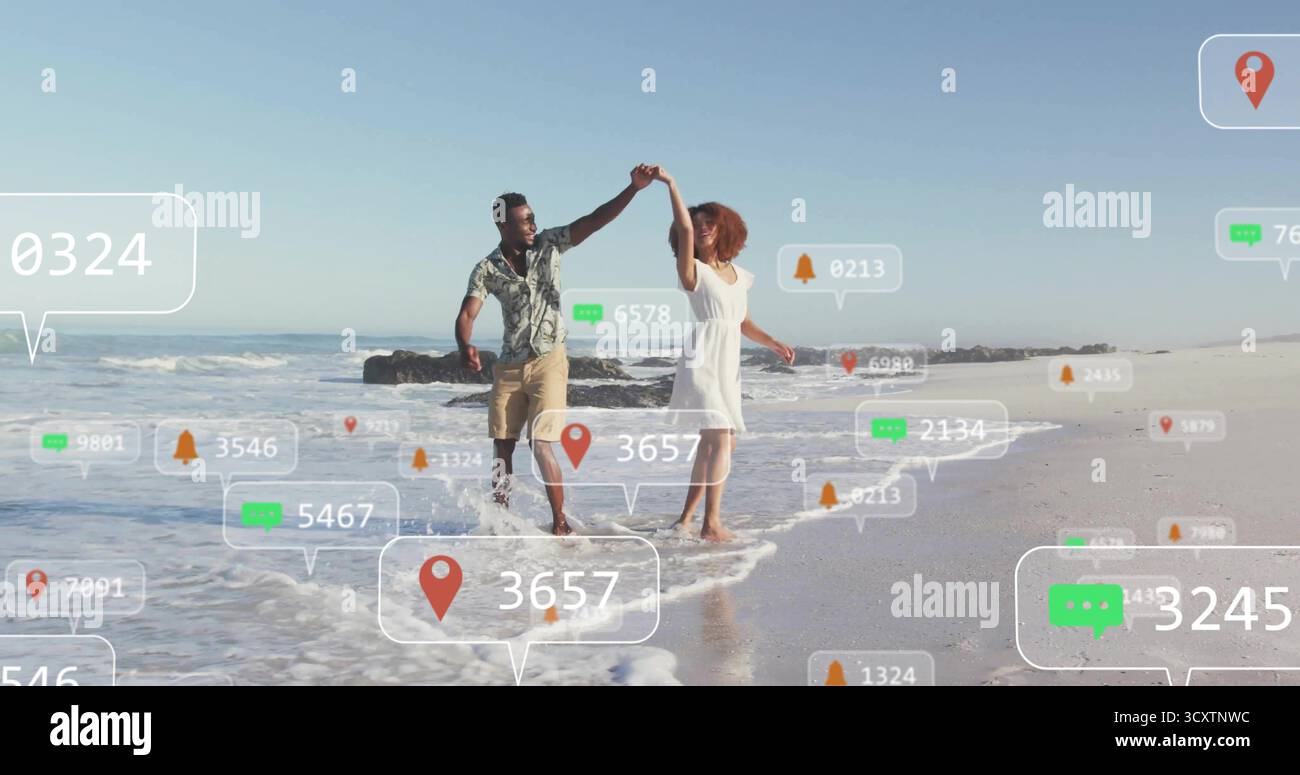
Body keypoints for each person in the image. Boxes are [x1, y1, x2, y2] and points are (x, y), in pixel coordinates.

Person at [455, 165, 656, 535]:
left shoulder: (550, 243)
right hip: (509, 367)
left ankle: (560, 523)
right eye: (525, 221)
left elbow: (594, 221)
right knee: (502, 446)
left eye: (533, 218)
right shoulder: (487, 269)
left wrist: (633, 189)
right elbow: (468, 312)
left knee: (541, 442)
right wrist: (464, 344)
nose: (533, 225)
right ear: (503, 226)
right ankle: (499, 520)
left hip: (550, 360)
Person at [651, 167, 794, 541]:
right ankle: (711, 524)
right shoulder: (692, 270)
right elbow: (682, 230)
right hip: (702, 360)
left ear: (724, 227)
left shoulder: (738, 275)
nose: (701, 227)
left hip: (728, 363)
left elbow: (742, 322)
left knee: (719, 441)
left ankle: (685, 520)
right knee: (719, 438)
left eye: (708, 222)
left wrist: (774, 343)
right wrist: (672, 184)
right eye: (696, 223)